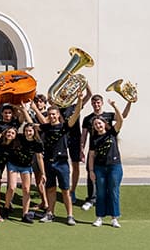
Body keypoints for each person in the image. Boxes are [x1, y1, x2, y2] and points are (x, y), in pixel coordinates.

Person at [32, 94, 85, 226]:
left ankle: (70, 216)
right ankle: (50, 213)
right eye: (50, 114)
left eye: (54, 114)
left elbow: (76, 114)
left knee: (65, 191)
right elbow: (32, 124)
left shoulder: (64, 126)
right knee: (50, 189)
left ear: (58, 115)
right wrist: (31, 109)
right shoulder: (46, 127)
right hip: (48, 162)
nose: (52, 116)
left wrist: (79, 100)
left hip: (62, 163)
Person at [88, 100, 125, 228]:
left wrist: (115, 106)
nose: (98, 125)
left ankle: (114, 218)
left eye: (100, 123)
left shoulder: (112, 133)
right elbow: (91, 155)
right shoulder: (94, 138)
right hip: (100, 168)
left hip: (114, 166)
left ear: (104, 123)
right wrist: (91, 171)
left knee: (114, 191)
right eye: (95, 124)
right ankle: (99, 217)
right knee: (101, 192)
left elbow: (121, 120)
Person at [6, 123, 45, 223]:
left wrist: (43, 173)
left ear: (34, 132)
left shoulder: (37, 143)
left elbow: (39, 158)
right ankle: (6, 207)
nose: (28, 133)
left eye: (30, 131)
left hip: (26, 167)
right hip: (13, 164)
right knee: (12, 187)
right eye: (26, 131)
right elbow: (9, 135)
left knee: (26, 189)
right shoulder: (19, 137)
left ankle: (25, 214)